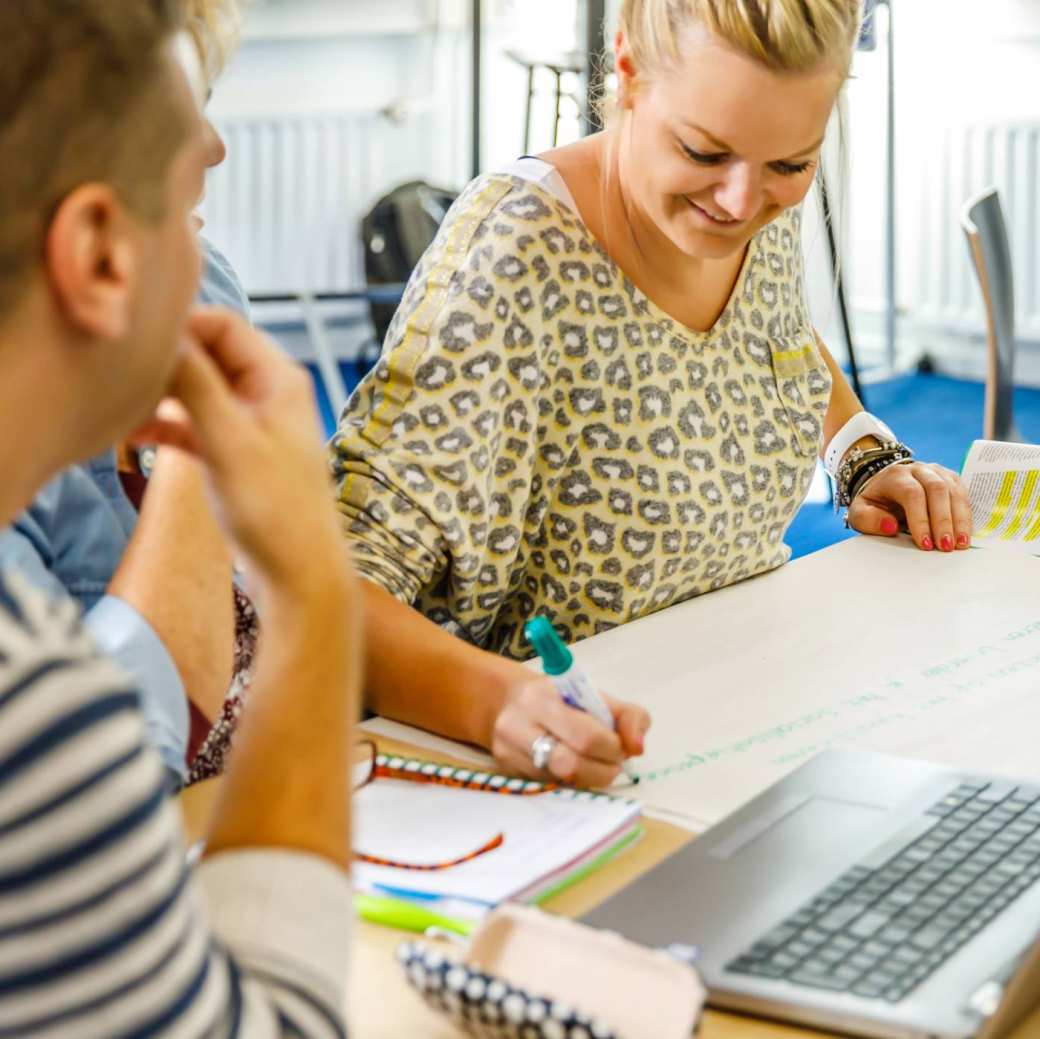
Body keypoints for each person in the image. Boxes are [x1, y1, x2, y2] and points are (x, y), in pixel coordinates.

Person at [331, 0, 972, 786]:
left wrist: (862, 453)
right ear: (628, 66)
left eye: (791, 164)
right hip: (567, 776)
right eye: (704, 150)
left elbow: (779, 336)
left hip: (747, 717)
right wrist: (496, 704)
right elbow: (329, 592)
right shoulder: (513, 256)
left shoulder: (744, 200)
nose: (741, 204)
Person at [0, 3, 358, 1034]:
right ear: (101, 255)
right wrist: (313, 593)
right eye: (176, 129)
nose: (214, 147)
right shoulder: (31, 702)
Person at [0, 0, 250, 790]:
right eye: (178, 113)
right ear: (92, 248)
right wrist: (195, 448)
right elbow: (96, 784)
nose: (213, 146)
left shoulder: (202, 285)